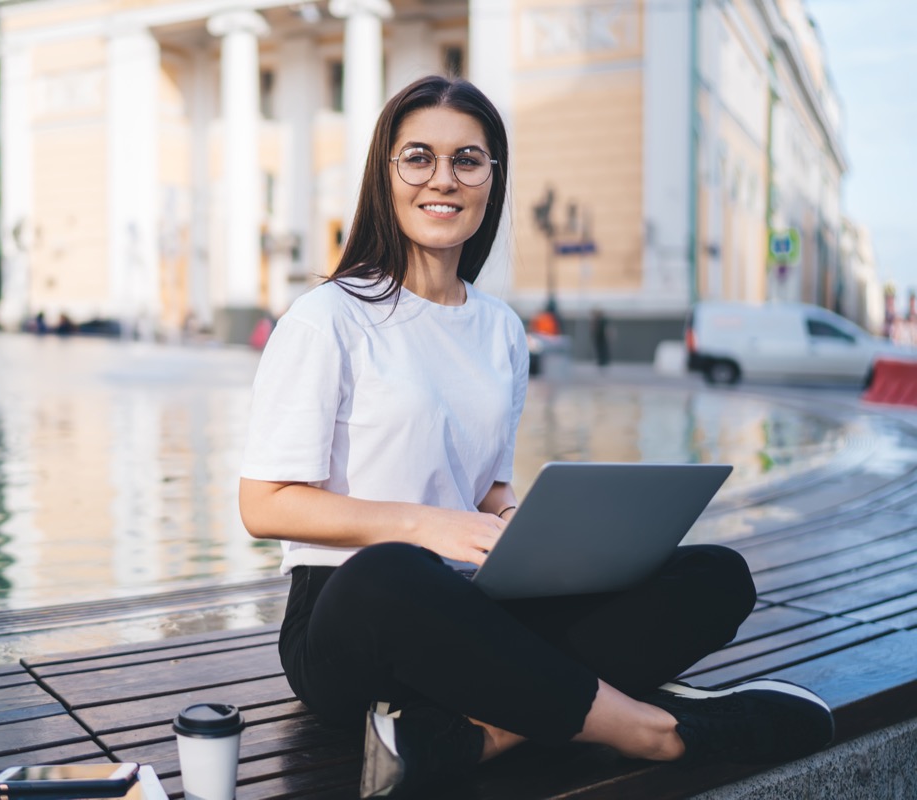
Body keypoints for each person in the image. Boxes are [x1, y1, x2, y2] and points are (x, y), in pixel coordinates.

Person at [238, 75, 834, 799]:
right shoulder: (329, 317)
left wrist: (525, 528)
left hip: (477, 607)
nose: (443, 179)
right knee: (391, 569)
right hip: (356, 615)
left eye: (468, 160)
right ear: (385, 173)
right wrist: (425, 527)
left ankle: (466, 737)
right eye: (418, 157)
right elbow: (264, 504)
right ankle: (657, 730)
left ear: (492, 178)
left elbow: (487, 489)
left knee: (714, 577)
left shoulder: (499, 331)